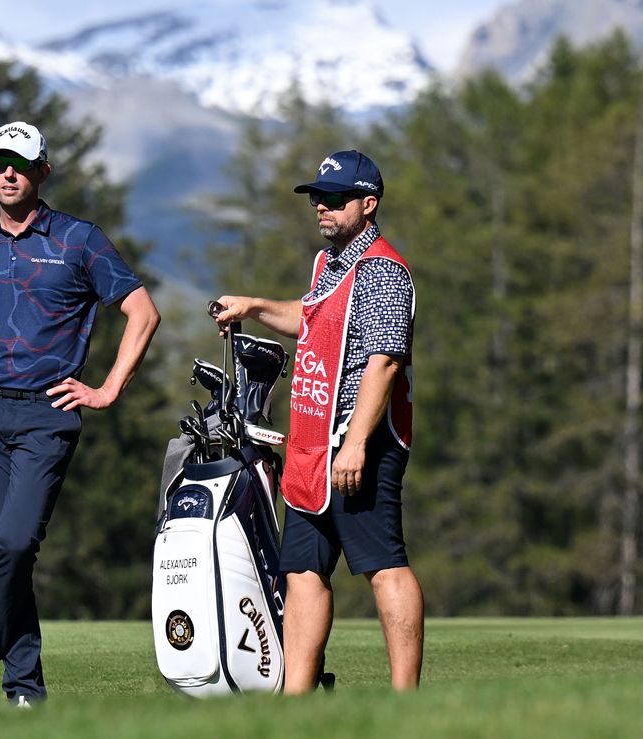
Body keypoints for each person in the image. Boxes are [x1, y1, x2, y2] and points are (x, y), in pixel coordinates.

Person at [0, 121, 160, 713]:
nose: (8, 173)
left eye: (19, 163)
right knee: (2, 554)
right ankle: (26, 691)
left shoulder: (81, 241)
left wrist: (109, 388)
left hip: (46, 415)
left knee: (14, 542)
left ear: (42, 172)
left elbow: (142, 314)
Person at [211, 150, 423, 692]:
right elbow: (308, 320)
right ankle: (296, 698)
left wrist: (355, 444)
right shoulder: (329, 265)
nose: (321, 208)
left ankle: (407, 701)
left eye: (334, 199)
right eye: (317, 199)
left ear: (368, 205)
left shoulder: (383, 270)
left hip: (361, 445)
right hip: (311, 447)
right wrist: (253, 305)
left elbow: (385, 362)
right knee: (303, 570)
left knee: (383, 565)